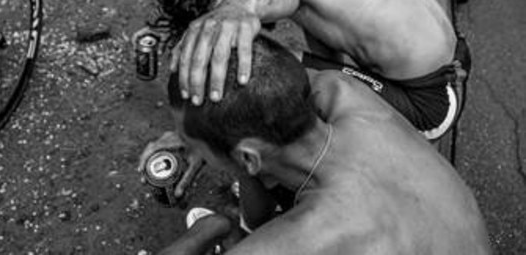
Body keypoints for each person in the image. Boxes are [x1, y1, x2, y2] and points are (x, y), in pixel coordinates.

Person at [156, 34, 491, 254]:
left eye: (190, 143)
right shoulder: (340, 91)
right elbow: (266, 91)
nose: (188, 150)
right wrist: (212, 142)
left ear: (248, 157)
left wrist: (205, 231)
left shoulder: (310, 234)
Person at [158, 0, 470, 141]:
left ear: (222, 0)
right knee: (294, 68)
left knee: (268, 66)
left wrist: (241, 6)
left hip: (430, 102)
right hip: (446, 55)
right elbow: (327, 45)